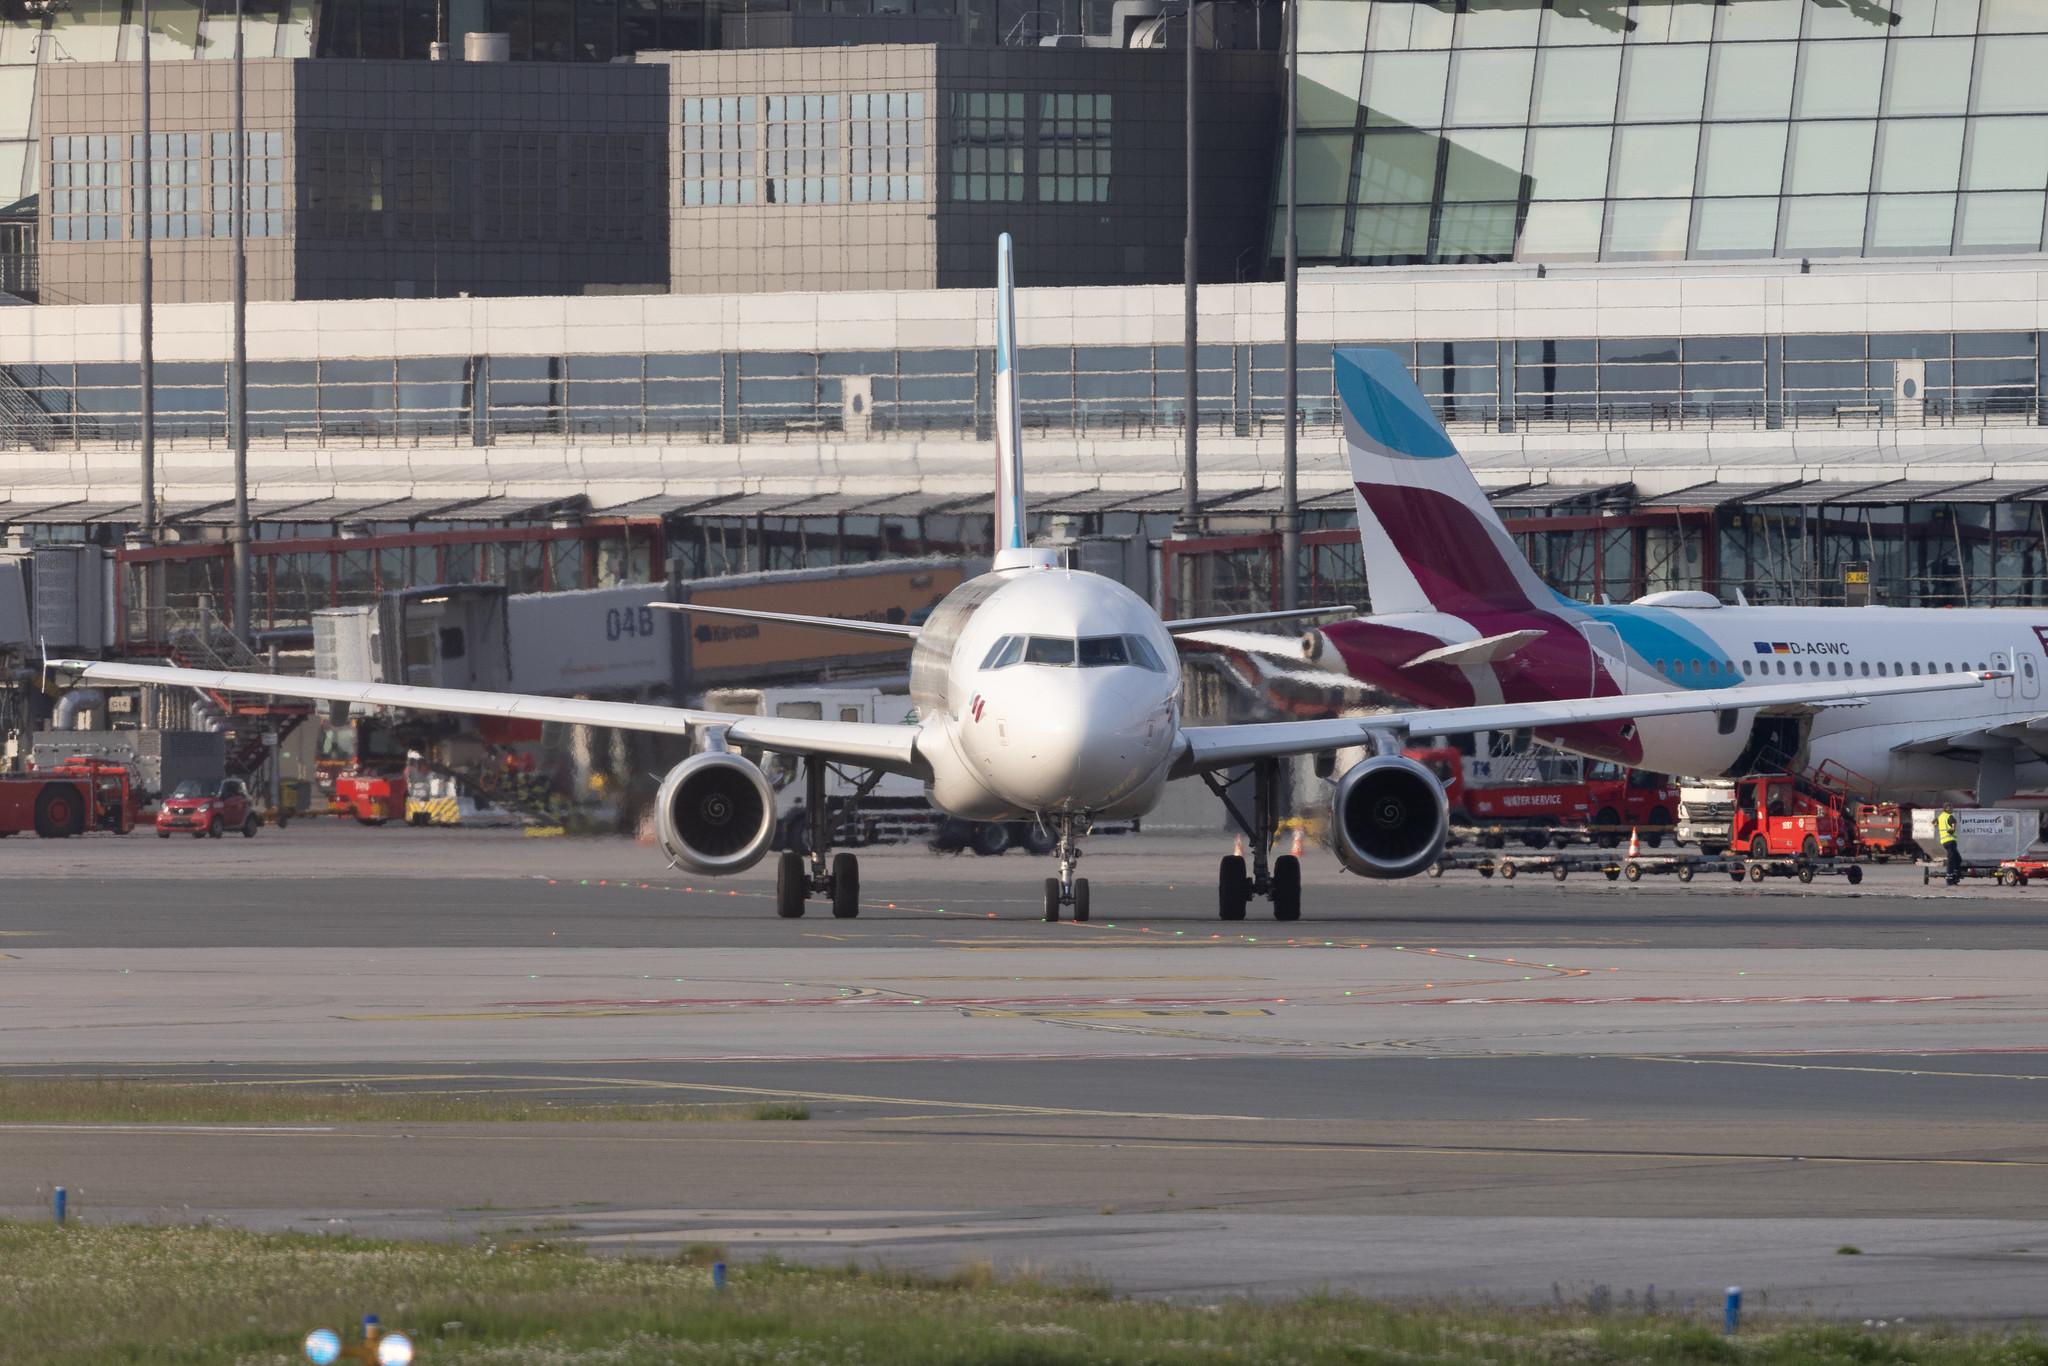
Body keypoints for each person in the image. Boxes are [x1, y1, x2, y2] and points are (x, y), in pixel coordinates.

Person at [1939, 804, 1962, 886]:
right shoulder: (1949, 816)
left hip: (1944, 841)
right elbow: (1954, 823)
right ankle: (1950, 878)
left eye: (1952, 807)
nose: (1952, 809)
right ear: (1945, 808)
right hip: (1950, 840)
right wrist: (1952, 829)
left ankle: (1954, 876)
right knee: (1952, 859)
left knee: (1957, 859)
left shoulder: (1941, 816)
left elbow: (1934, 823)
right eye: (1950, 807)